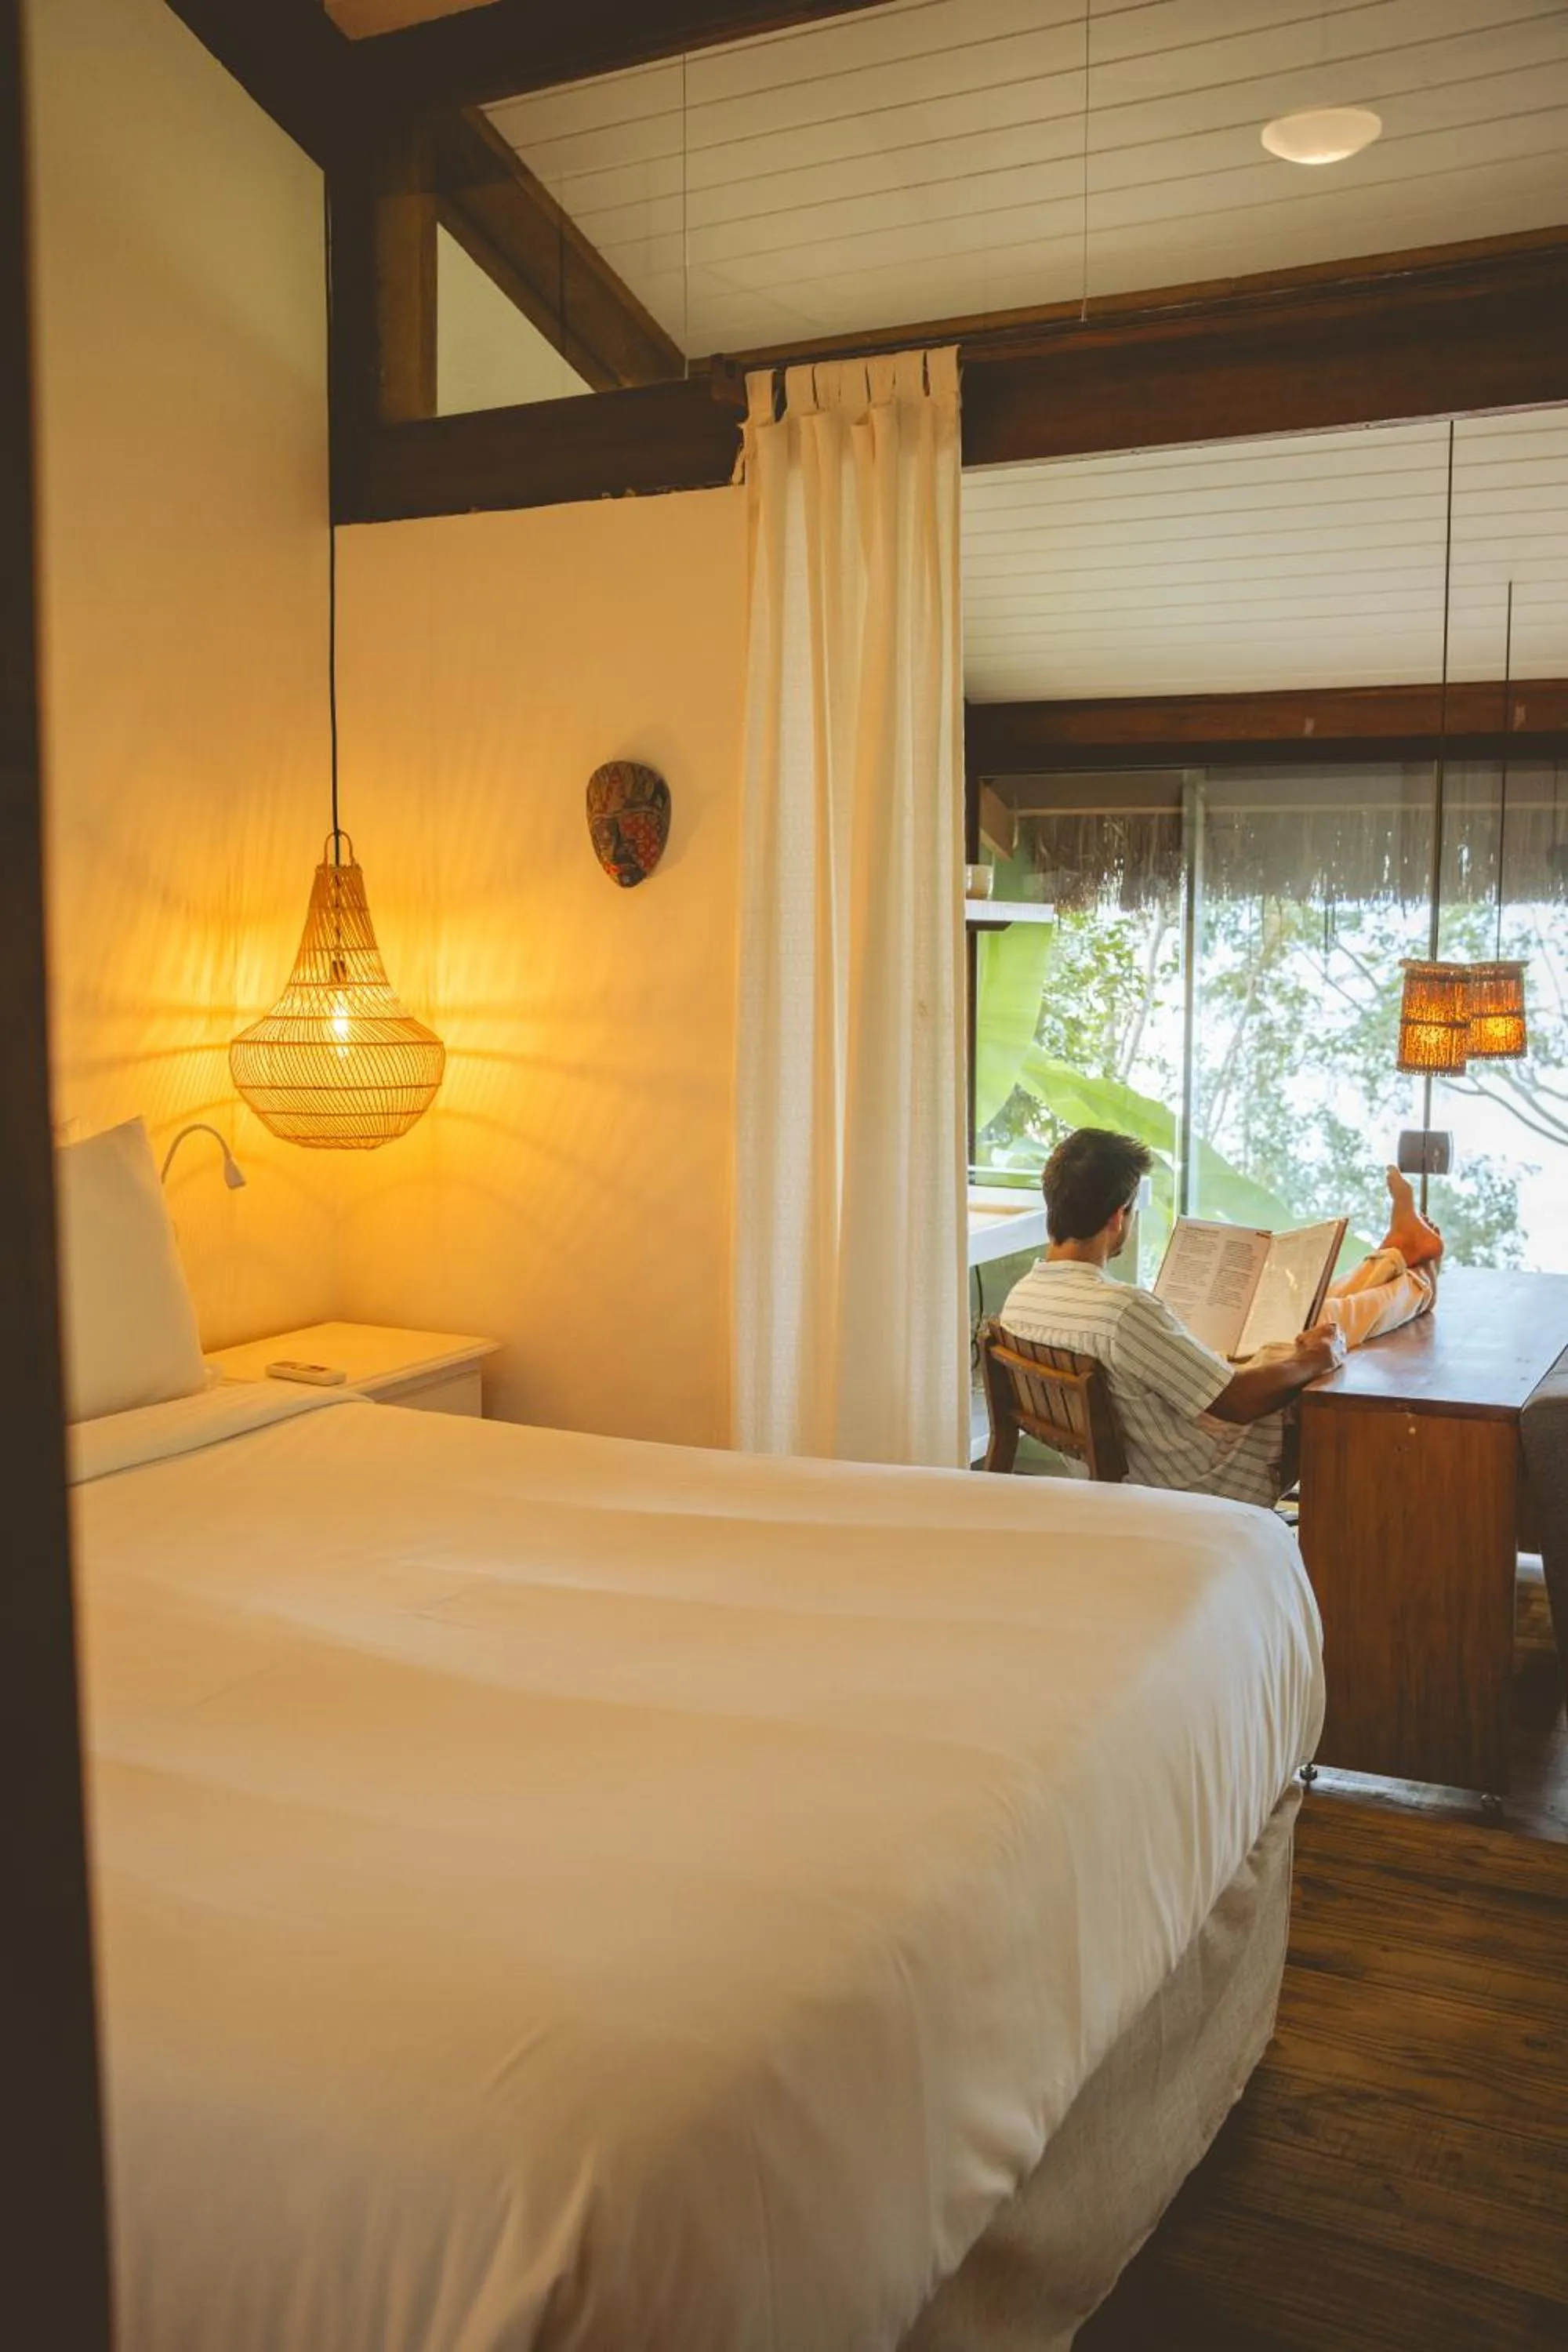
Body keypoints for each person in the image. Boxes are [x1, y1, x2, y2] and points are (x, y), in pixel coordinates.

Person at [1000, 1127, 1441, 1508]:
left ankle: (1396, 1254)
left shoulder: (1021, 1300)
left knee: (1308, 1313)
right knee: (1331, 1331)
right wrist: (1314, 1359)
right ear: (1119, 1217)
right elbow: (1236, 1402)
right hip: (1200, 1479)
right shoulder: (1121, 1313)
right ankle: (1418, 1278)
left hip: (1148, 1458)